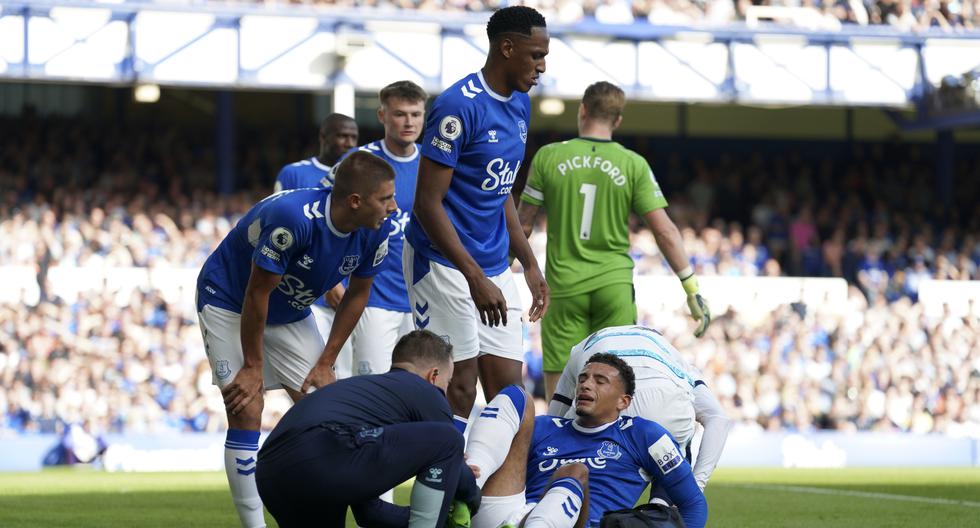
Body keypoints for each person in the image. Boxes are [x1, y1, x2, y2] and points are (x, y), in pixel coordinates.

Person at [196, 151, 396, 528]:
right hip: (228, 300)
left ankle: (350, 513)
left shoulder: (378, 230)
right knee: (246, 408)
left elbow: (357, 294)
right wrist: (253, 367)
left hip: (289, 310)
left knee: (331, 416)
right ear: (356, 201)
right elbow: (256, 294)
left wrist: (325, 363)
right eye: (385, 198)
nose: (393, 206)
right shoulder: (293, 220)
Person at [404, 5, 551, 434]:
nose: (541, 67)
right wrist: (474, 277)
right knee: (459, 388)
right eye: (535, 56)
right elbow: (427, 205)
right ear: (507, 48)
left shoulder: (521, 104)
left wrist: (528, 262)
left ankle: (504, 497)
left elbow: (501, 189)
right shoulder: (455, 107)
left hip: (493, 263)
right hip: (443, 263)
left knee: (511, 394)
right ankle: (450, 498)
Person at [517, 81, 711, 401]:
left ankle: (560, 449)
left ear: (582, 110)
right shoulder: (633, 164)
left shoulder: (549, 157)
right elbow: (664, 231)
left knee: (561, 392)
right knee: (614, 386)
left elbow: (522, 224)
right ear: (618, 121)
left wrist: (498, 272)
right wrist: (691, 288)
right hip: (614, 287)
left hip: (563, 287)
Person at [255, 330, 481, 528]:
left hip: (271, 472)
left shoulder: (366, 404)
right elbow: (453, 460)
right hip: (323, 450)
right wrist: (474, 498)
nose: (446, 391)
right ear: (434, 376)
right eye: (447, 383)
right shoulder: (424, 390)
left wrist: (425, 516)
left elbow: (370, 514)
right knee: (450, 439)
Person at [463, 354, 708, 528]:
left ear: (623, 401)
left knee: (574, 473)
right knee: (515, 395)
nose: (586, 385)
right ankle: (465, 493)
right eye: (583, 379)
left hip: (579, 522)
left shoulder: (645, 435)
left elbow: (694, 504)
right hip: (510, 516)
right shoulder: (545, 426)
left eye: (600, 381)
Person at [548, 325, 733, 492]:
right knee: (674, 454)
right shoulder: (679, 360)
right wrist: (697, 484)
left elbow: (553, 422)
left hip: (601, 418)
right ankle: (666, 507)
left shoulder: (579, 349)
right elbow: (718, 419)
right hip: (665, 413)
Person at [346, 81, 427, 376]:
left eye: (416, 114)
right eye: (400, 114)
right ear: (382, 116)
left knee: (419, 390)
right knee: (372, 389)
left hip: (423, 298)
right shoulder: (358, 163)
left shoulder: (435, 164)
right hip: (372, 299)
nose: (409, 122)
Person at [274, 112, 360, 378]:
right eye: (342, 136)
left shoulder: (363, 177)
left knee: (346, 374)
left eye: (353, 138)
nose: (348, 143)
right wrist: (331, 284)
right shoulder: (294, 174)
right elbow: (280, 229)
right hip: (309, 297)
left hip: (349, 297)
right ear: (323, 137)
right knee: (310, 374)